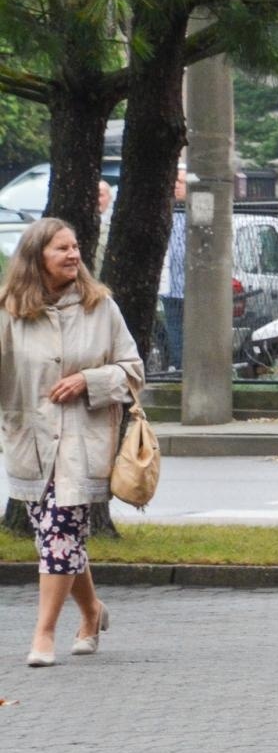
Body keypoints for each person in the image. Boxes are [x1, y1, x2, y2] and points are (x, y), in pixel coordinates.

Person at [1, 219, 143, 667]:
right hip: (32, 443)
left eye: (76, 247)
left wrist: (90, 380)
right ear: (36, 258)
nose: (73, 255)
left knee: (60, 534)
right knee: (57, 539)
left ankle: (43, 635)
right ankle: (91, 612)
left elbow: (133, 370)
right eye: (61, 248)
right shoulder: (10, 311)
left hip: (83, 441)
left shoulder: (100, 307)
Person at [159, 171, 187, 371]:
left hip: (193, 287)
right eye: (174, 181)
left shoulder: (196, 214)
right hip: (170, 285)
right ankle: (177, 366)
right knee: (174, 329)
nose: (176, 186)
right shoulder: (165, 212)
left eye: (181, 182)